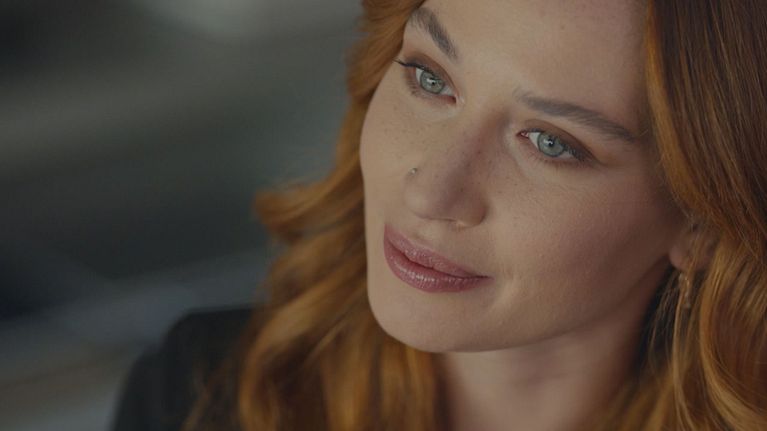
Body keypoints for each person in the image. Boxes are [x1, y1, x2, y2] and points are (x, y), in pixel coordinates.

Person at [112, 0, 767, 430]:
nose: (431, 192)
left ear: (701, 223)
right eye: (431, 79)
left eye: (549, 142)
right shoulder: (200, 395)